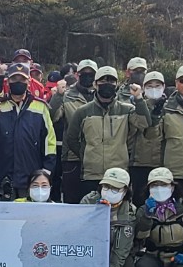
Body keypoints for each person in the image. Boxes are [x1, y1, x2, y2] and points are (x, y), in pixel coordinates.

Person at [64, 65, 152, 198]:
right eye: (103, 81)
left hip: (119, 174)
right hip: (91, 175)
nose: (107, 84)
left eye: (111, 81)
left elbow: (144, 123)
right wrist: (86, 155)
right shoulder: (83, 111)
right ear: (95, 84)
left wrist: (139, 99)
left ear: (116, 84)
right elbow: (71, 138)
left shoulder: (127, 109)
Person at [0, 62, 57, 200]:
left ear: (29, 82)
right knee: (3, 214)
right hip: (3, 177)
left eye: (22, 79)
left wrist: (46, 171)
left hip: (31, 178)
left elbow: (49, 142)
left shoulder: (40, 107)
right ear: (7, 82)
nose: (18, 82)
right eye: (14, 79)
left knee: (31, 213)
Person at [81, 167, 138, 267]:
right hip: (92, 251)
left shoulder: (129, 213)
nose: (109, 191)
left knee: (127, 266)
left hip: (113, 251)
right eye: (106, 187)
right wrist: (95, 213)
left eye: (115, 189)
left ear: (125, 191)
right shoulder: (89, 201)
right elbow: (78, 230)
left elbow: (121, 249)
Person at [50, 59, 98, 204]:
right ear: (77, 75)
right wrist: (57, 96)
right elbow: (52, 117)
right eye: (84, 73)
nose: (88, 76)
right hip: (72, 158)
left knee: (93, 201)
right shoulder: (66, 95)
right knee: (72, 201)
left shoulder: (103, 96)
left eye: (91, 74)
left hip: (97, 156)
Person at [129, 70, 167, 203]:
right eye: (150, 86)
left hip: (162, 163)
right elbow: (145, 127)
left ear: (163, 87)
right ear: (144, 88)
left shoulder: (170, 107)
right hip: (140, 163)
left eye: (157, 86)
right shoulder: (136, 106)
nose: (154, 89)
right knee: (140, 201)